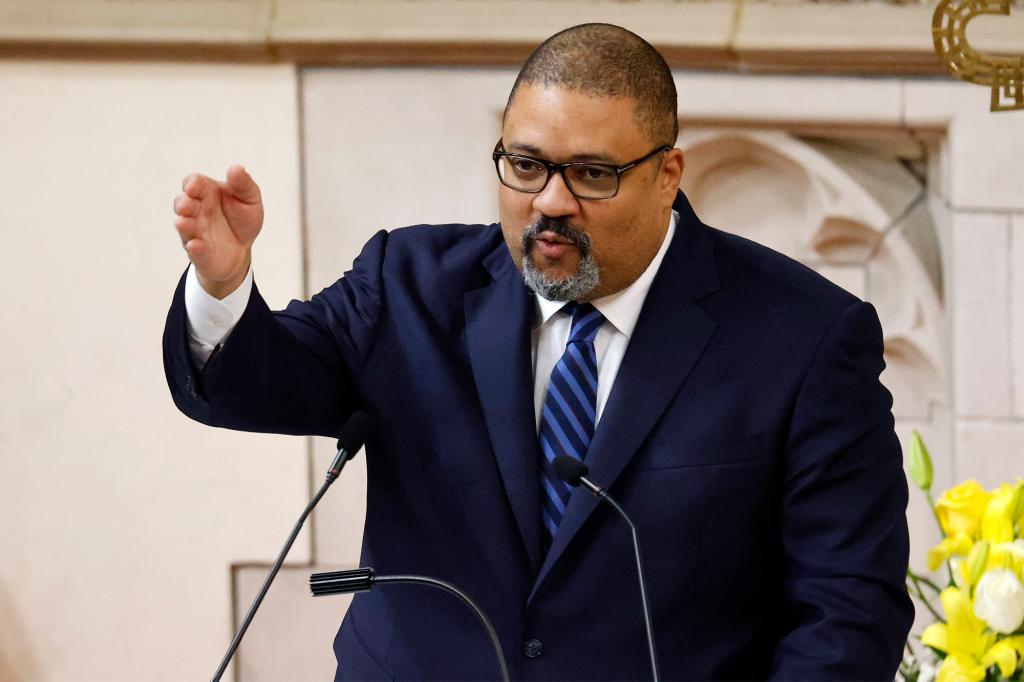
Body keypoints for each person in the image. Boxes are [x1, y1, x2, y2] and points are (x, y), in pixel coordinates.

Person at [165, 23, 914, 681]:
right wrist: (225, 287)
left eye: (592, 174)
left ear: (666, 176)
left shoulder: (805, 337)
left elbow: (847, 609)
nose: (551, 201)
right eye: (526, 166)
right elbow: (256, 381)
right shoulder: (408, 286)